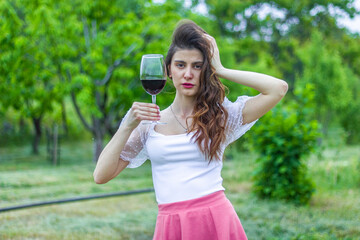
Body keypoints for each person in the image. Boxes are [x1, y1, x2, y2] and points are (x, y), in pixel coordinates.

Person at [93, 20, 288, 240]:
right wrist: (127, 125)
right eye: (180, 65)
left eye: (197, 66)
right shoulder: (149, 126)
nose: (188, 74)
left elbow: (277, 89)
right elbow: (101, 175)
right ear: (168, 70)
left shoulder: (220, 117)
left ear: (206, 71)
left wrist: (221, 69)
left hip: (215, 219)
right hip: (170, 223)